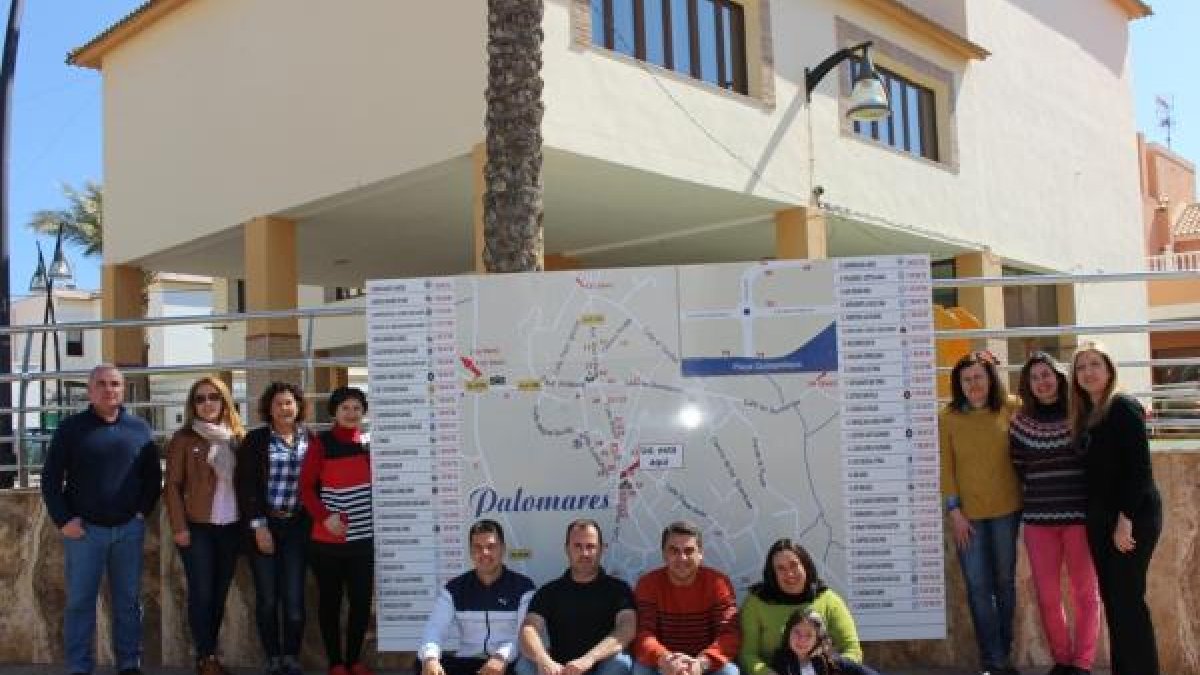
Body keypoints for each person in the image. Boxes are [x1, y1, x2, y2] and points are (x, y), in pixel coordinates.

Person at [40, 364, 162, 675]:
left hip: (128, 531)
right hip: (85, 533)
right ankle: (80, 667)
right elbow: (51, 479)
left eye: (115, 384)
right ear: (90, 390)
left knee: (128, 603)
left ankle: (129, 664)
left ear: (123, 390)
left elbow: (152, 479)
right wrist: (64, 520)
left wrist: (140, 514)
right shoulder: (71, 429)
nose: (109, 390)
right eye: (102, 384)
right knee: (80, 603)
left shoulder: (140, 429)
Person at [1070, 342, 1162, 675]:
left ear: (1109, 369)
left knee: (1128, 603)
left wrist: (1125, 522)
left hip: (1130, 517)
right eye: (1081, 367)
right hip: (1101, 519)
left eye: (1095, 364)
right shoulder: (1088, 415)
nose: (1088, 372)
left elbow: (1140, 471)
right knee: (1114, 603)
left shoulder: (1122, 407)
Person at [1009, 354, 1098, 675]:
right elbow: (1020, 468)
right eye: (1035, 378)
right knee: (1047, 596)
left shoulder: (1080, 414)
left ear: (1059, 377)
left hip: (1079, 519)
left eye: (1047, 374)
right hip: (1039, 523)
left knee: (1085, 593)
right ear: (1028, 386)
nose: (1042, 382)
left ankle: (1083, 663)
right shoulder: (1019, 423)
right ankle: (1062, 660)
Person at [938, 351, 1022, 675]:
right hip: (967, 517)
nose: (974, 384)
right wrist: (954, 512)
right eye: (967, 378)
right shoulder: (948, 417)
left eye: (979, 376)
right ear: (959, 383)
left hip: (1007, 511)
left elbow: (1048, 405)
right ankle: (993, 660)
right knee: (977, 587)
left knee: (1005, 583)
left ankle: (1005, 652)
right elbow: (947, 470)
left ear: (991, 379)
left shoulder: (1011, 408)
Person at [164, 376, 247, 675]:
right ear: (192, 405)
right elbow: (171, 486)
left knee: (220, 591)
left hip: (231, 526)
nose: (207, 403)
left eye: (213, 397)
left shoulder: (238, 437)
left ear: (224, 401)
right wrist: (179, 527)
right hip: (197, 527)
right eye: (200, 399)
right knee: (202, 592)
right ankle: (206, 657)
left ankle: (208, 652)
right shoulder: (184, 439)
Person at [235, 382, 311, 675]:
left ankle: (291, 655)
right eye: (278, 404)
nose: (284, 408)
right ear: (269, 408)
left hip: (296, 528)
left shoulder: (309, 438)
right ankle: (273, 657)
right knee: (267, 599)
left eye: (289, 403)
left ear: (298, 406)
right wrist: (259, 526)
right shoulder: (256, 440)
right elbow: (246, 486)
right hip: (264, 525)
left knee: (294, 601)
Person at [299, 386, 376, 675]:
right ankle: (335, 663)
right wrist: (324, 517)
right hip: (328, 540)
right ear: (335, 411)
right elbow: (305, 489)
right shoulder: (321, 443)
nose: (351, 413)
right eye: (345, 408)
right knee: (330, 603)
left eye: (357, 408)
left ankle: (354, 660)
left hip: (363, 540)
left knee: (360, 603)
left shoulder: (369, 444)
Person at [518, 519, 636, 675]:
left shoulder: (619, 589)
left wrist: (589, 658)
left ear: (601, 549)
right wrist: (543, 660)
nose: (584, 553)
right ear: (567, 549)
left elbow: (627, 629)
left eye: (591, 546)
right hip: (559, 670)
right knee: (524, 664)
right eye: (578, 546)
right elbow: (529, 629)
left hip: (601, 666)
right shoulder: (549, 591)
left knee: (621, 662)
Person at [419, 519, 536, 675]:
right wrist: (430, 658)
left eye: (491, 547)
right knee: (422, 664)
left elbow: (524, 635)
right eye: (478, 547)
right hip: (468, 661)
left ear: (503, 549)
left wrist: (501, 657)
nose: (484, 553)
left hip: (508, 661)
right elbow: (435, 628)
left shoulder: (523, 587)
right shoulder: (454, 588)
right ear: (470, 551)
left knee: (525, 669)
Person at [739, 538, 861, 675]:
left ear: (806, 566)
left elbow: (852, 649)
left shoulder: (828, 600)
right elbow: (747, 655)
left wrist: (834, 670)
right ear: (773, 574)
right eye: (781, 568)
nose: (789, 573)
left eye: (794, 565)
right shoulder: (756, 603)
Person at [631, 521, 740, 675]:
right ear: (664, 554)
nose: (682, 558)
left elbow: (729, 634)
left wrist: (701, 663)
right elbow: (643, 633)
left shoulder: (718, 583)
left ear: (700, 553)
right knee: (640, 670)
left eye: (689, 551)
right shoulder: (648, 584)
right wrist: (665, 659)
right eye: (674, 551)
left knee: (729, 672)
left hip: (704, 663)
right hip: (664, 662)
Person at [767, 611, 881, 675]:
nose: (802, 640)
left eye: (809, 635)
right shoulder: (780, 660)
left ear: (817, 639)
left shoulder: (829, 660)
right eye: (797, 632)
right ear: (788, 634)